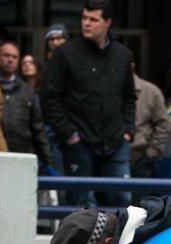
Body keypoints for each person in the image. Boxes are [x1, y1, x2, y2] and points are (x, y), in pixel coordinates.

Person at [41, 0, 136, 207]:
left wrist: (128, 130)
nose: (86, 23)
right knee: (83, 204)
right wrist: (68, 134)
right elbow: (49, 98)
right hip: (79, 141)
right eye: (84, 18)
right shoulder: (65, 53)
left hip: (115, 140)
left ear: (107, 22)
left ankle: (119, 240)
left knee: (122, 199)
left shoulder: (122, 55)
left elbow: (129, 96)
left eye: (93, 19)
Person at [0, 41, 55, 170]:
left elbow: (37, 128)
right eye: (6, 55)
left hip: (21, 156)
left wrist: (48, 162)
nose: (10, 60)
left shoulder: (26, 91)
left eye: (14, 57)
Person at [129, 55, 171, 178]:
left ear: (132, 66)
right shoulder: (108, 89)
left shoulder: (151, 91)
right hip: (109, 156)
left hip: (140, 157)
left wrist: (151, 153)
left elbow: (164, 124)